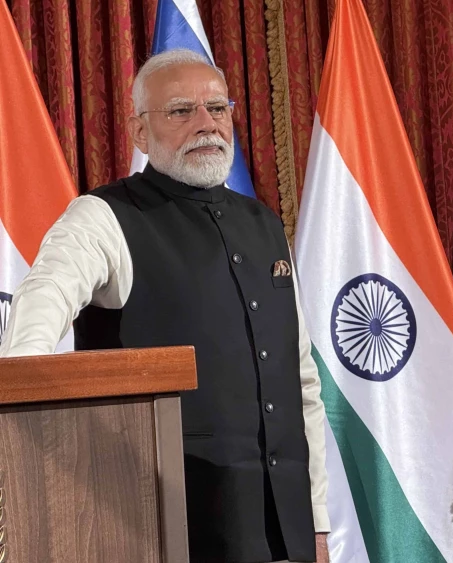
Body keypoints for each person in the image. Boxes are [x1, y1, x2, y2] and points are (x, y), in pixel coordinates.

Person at [0, 48, 330, 563]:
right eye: (180, 110)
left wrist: (317, 522)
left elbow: (301, 380)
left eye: (217, 108)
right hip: (161, 523)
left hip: (285, 527)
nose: (206, 124)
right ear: (138, 132)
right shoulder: (103, 216)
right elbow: (40, 306)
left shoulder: (264, 223)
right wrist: (22, 423)